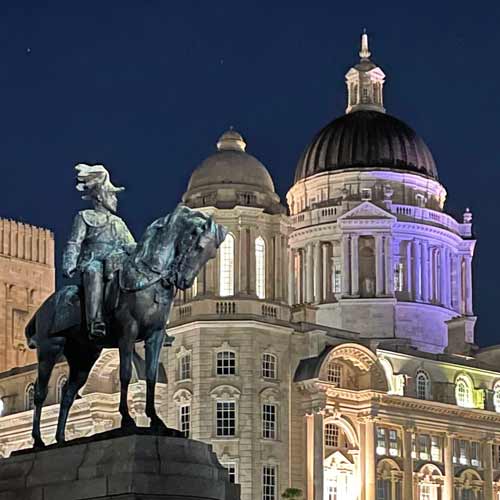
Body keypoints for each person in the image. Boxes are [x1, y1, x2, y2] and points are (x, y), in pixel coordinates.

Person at [62, 164, 136, 339]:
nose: (115, 200)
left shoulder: (118, 223)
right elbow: (74, 242)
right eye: (112, 195)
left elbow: (131, 246)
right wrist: (70, 262)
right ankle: (95, 321)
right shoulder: (85, 216)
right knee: (94, 273)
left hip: (115, 262)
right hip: (93, 259)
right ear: (101, 197)